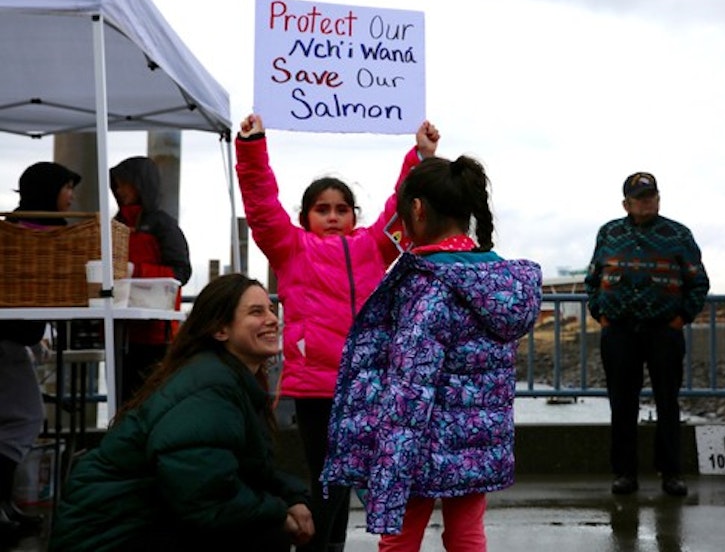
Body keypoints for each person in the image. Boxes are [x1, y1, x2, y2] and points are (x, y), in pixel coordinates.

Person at [235, 113, 440, 552]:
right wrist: (252, 147)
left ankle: (330, 548)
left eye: (341, 209)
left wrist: (420, 157)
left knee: (342, 479)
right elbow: (260, 204)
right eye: (322, 209)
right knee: (327, 476)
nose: (332, 216)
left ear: (353, 215)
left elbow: (401, 206)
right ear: (305, 215)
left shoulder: (374, 246)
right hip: (315, 386)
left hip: (365, 384)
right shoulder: (289, 247)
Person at [321, 154, 543, 551]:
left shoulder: (427, 284)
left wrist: (391, 459)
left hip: (420, 446)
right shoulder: (496, 280)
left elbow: (411, 382)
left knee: (399, 540)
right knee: (468, 536)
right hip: (479, 441)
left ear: (417, 210)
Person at [49, 273, 316, 552]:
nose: (272, 319)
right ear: (220, 330)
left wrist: (292, 497)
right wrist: (278, 513)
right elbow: (205, 497)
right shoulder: (209, 388)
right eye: (256, 312)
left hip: (138, 523)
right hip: (110, 536)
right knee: (264, 534)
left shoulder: (225, 379)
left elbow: (249, 469)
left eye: (271, 310)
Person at [584, 171, 710, 497]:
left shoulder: (678, 234)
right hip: (619, 332)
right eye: (640, 198)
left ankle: (671, 474)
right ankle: (625, 473)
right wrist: (601, 312)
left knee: (668, 402)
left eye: (651, 196)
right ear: (626, 203)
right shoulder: (609, 233)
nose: (647, 202)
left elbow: (698, 282)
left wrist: (681, 318)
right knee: (622, 404)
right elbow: (593, 278)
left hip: (663, 331)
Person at [0, 161, 81, 544]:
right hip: (9, 340)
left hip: (15, 339)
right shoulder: (50, 234)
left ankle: (6, 505)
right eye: (67, 188)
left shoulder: (11, 227)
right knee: (27, 418)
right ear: (50, 190)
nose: (71, 197)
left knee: (17, 419)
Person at [109, 156, 192, 405]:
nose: (120, 190)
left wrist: (136, 271)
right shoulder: (116, 224)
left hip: (157, 330)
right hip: (119, 327)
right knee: (121, 395)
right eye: (117, 185)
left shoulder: (163, 226)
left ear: (140, 184)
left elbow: (181, 272)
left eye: (125, 184)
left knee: (152, 397)